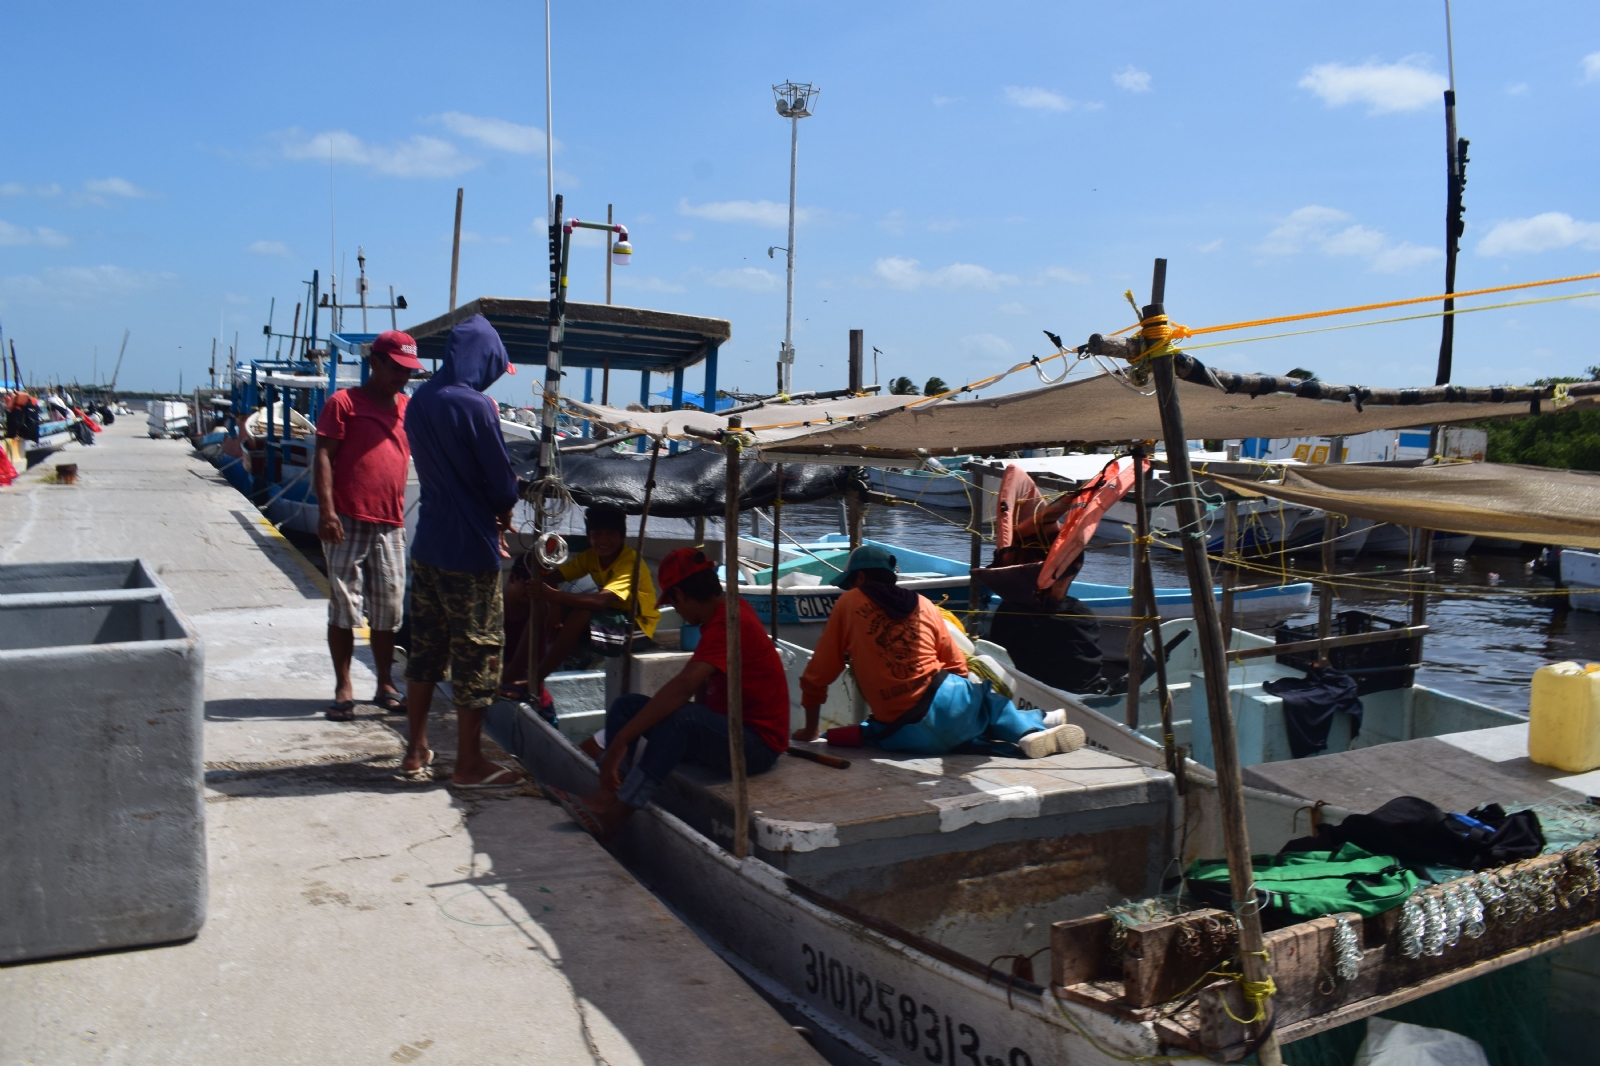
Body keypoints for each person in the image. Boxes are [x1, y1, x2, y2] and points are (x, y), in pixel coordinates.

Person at [547, 548, 789, 838]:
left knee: (683, 719)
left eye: (673, 602)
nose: (678, 612)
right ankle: (606, 794)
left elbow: (685, 685)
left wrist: (622, 740)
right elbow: (698, 689)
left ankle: (617, 815)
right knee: (626, 706)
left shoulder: (729, 622)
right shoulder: (720, 615)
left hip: (757, 746)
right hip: (726, 730)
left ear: (682, 595)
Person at [795, 544, 1082, 759]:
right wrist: (962, 706)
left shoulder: (848, 602)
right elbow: (957, 666)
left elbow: (818, 673)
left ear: (859, 578)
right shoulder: (924, 604)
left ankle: (1031, 728)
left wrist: (810, 731)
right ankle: (1032, 725)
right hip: (949, 709)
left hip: (902, 733)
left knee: (876, 732)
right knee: (984, 703)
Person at [401, 314, 523, 788]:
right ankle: (469, 763)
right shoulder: (477, 406)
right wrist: (505, 507)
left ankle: (415, 749)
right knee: (478, 652)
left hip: (428, 543)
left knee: (426, 649)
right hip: (469, 550)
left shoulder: (418, 401)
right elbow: (500, 484)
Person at [314, 330, 419, 721]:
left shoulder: (408, 408)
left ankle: (385, 683)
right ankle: (344, 686)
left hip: (391, 522)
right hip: (347, 519)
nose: (402, 376)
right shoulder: (343, 403)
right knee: (344, 606)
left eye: (408, 370)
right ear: (375, 362)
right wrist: (326, 512)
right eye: (396, 367)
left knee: (389, 609)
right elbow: (323, 456)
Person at [511, 505, 661, 697]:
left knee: (582, 610)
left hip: (637, 628)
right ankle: (517, 669)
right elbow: (550, 579)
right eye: (597, 534)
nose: (603, 540)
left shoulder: (629, 561)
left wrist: (554, 596)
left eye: (610, 534)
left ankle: (536, 678)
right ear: (589, 537)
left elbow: (601, 602)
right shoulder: (590, 557)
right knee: (542, 603)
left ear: (622, 537)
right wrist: (554, 606)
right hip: (611, 619)